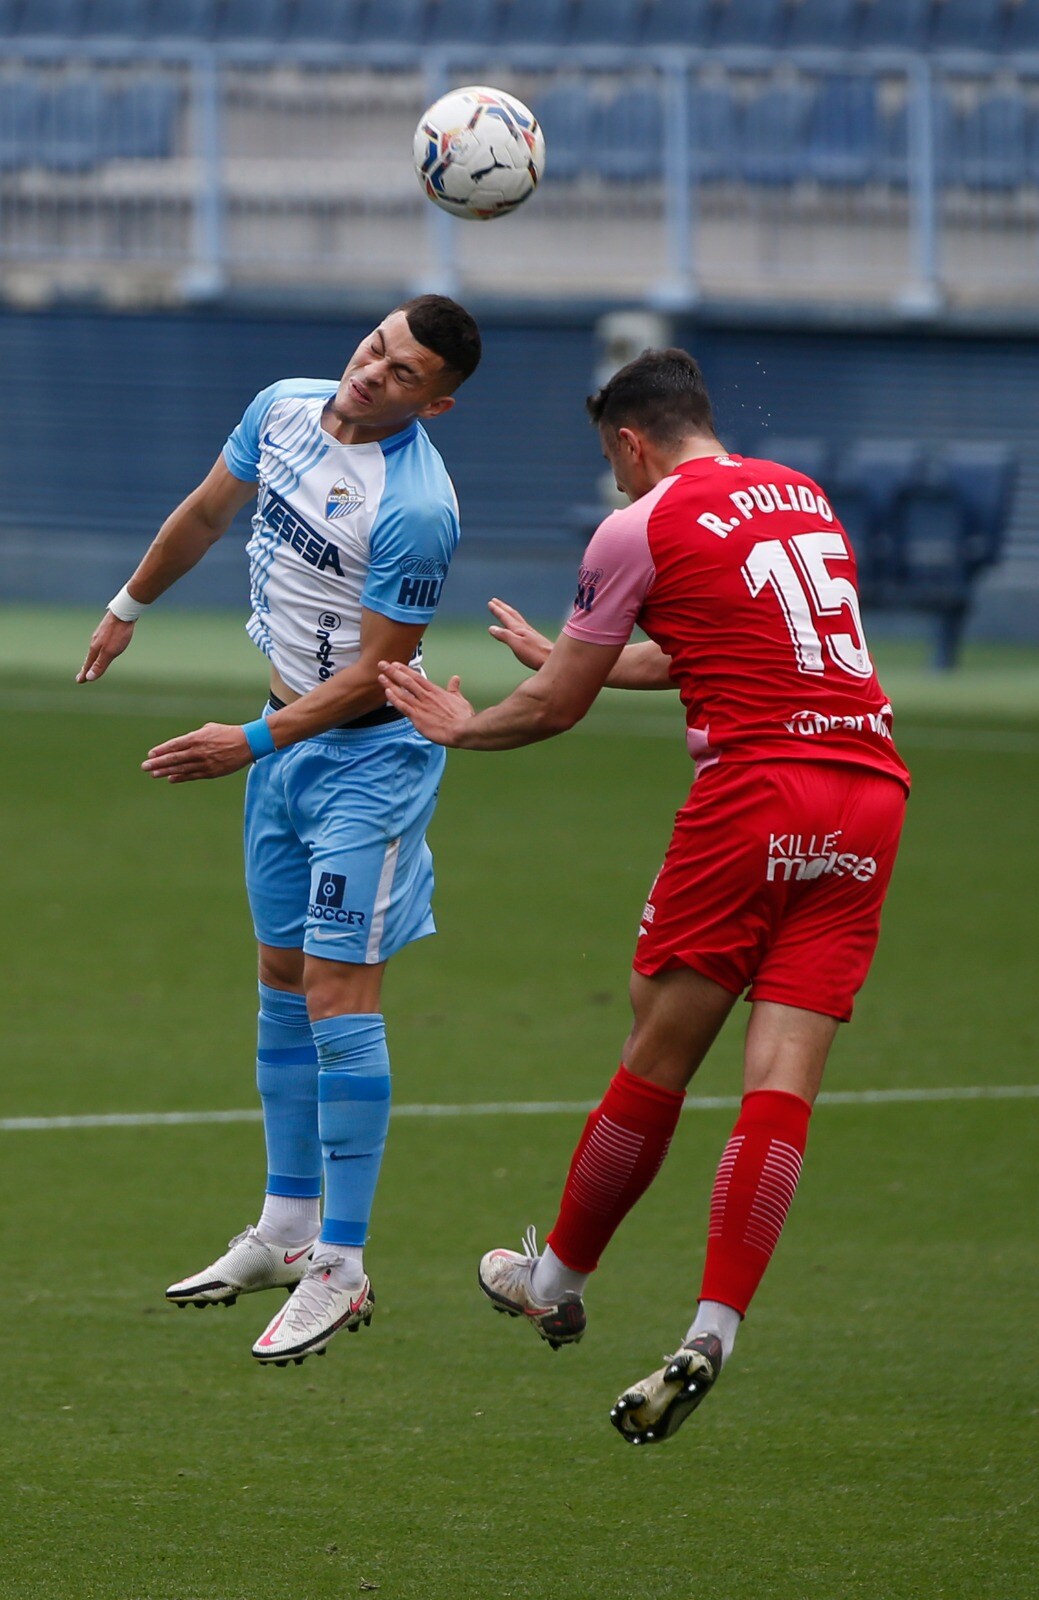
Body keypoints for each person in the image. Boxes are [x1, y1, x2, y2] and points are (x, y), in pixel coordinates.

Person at [379, 347, 909, 1443]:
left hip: (754, 795)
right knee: (782, 1082)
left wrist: (470, 722)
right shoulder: (799, 494)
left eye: (613, 462)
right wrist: (570, 649)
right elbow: (706, 650)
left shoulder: (638, 524)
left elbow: (556, 710)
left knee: (657, 1051)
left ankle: (555, 1279)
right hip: (868, 795)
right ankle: (714, 1327)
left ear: (630, 442)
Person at [77, 295, 482, 1367]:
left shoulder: (417, 507)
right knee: (279, 971)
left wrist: (249, 741)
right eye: (374, 346)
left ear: (433, 402)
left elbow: (373, 677)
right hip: (285, 749)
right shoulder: (285, 409)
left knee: (339, 991)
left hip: (366, 762)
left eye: (401, 373)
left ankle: (342, 1265)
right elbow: (208, 512)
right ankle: (288, 1223)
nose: (370, 371)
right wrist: (129, 603)